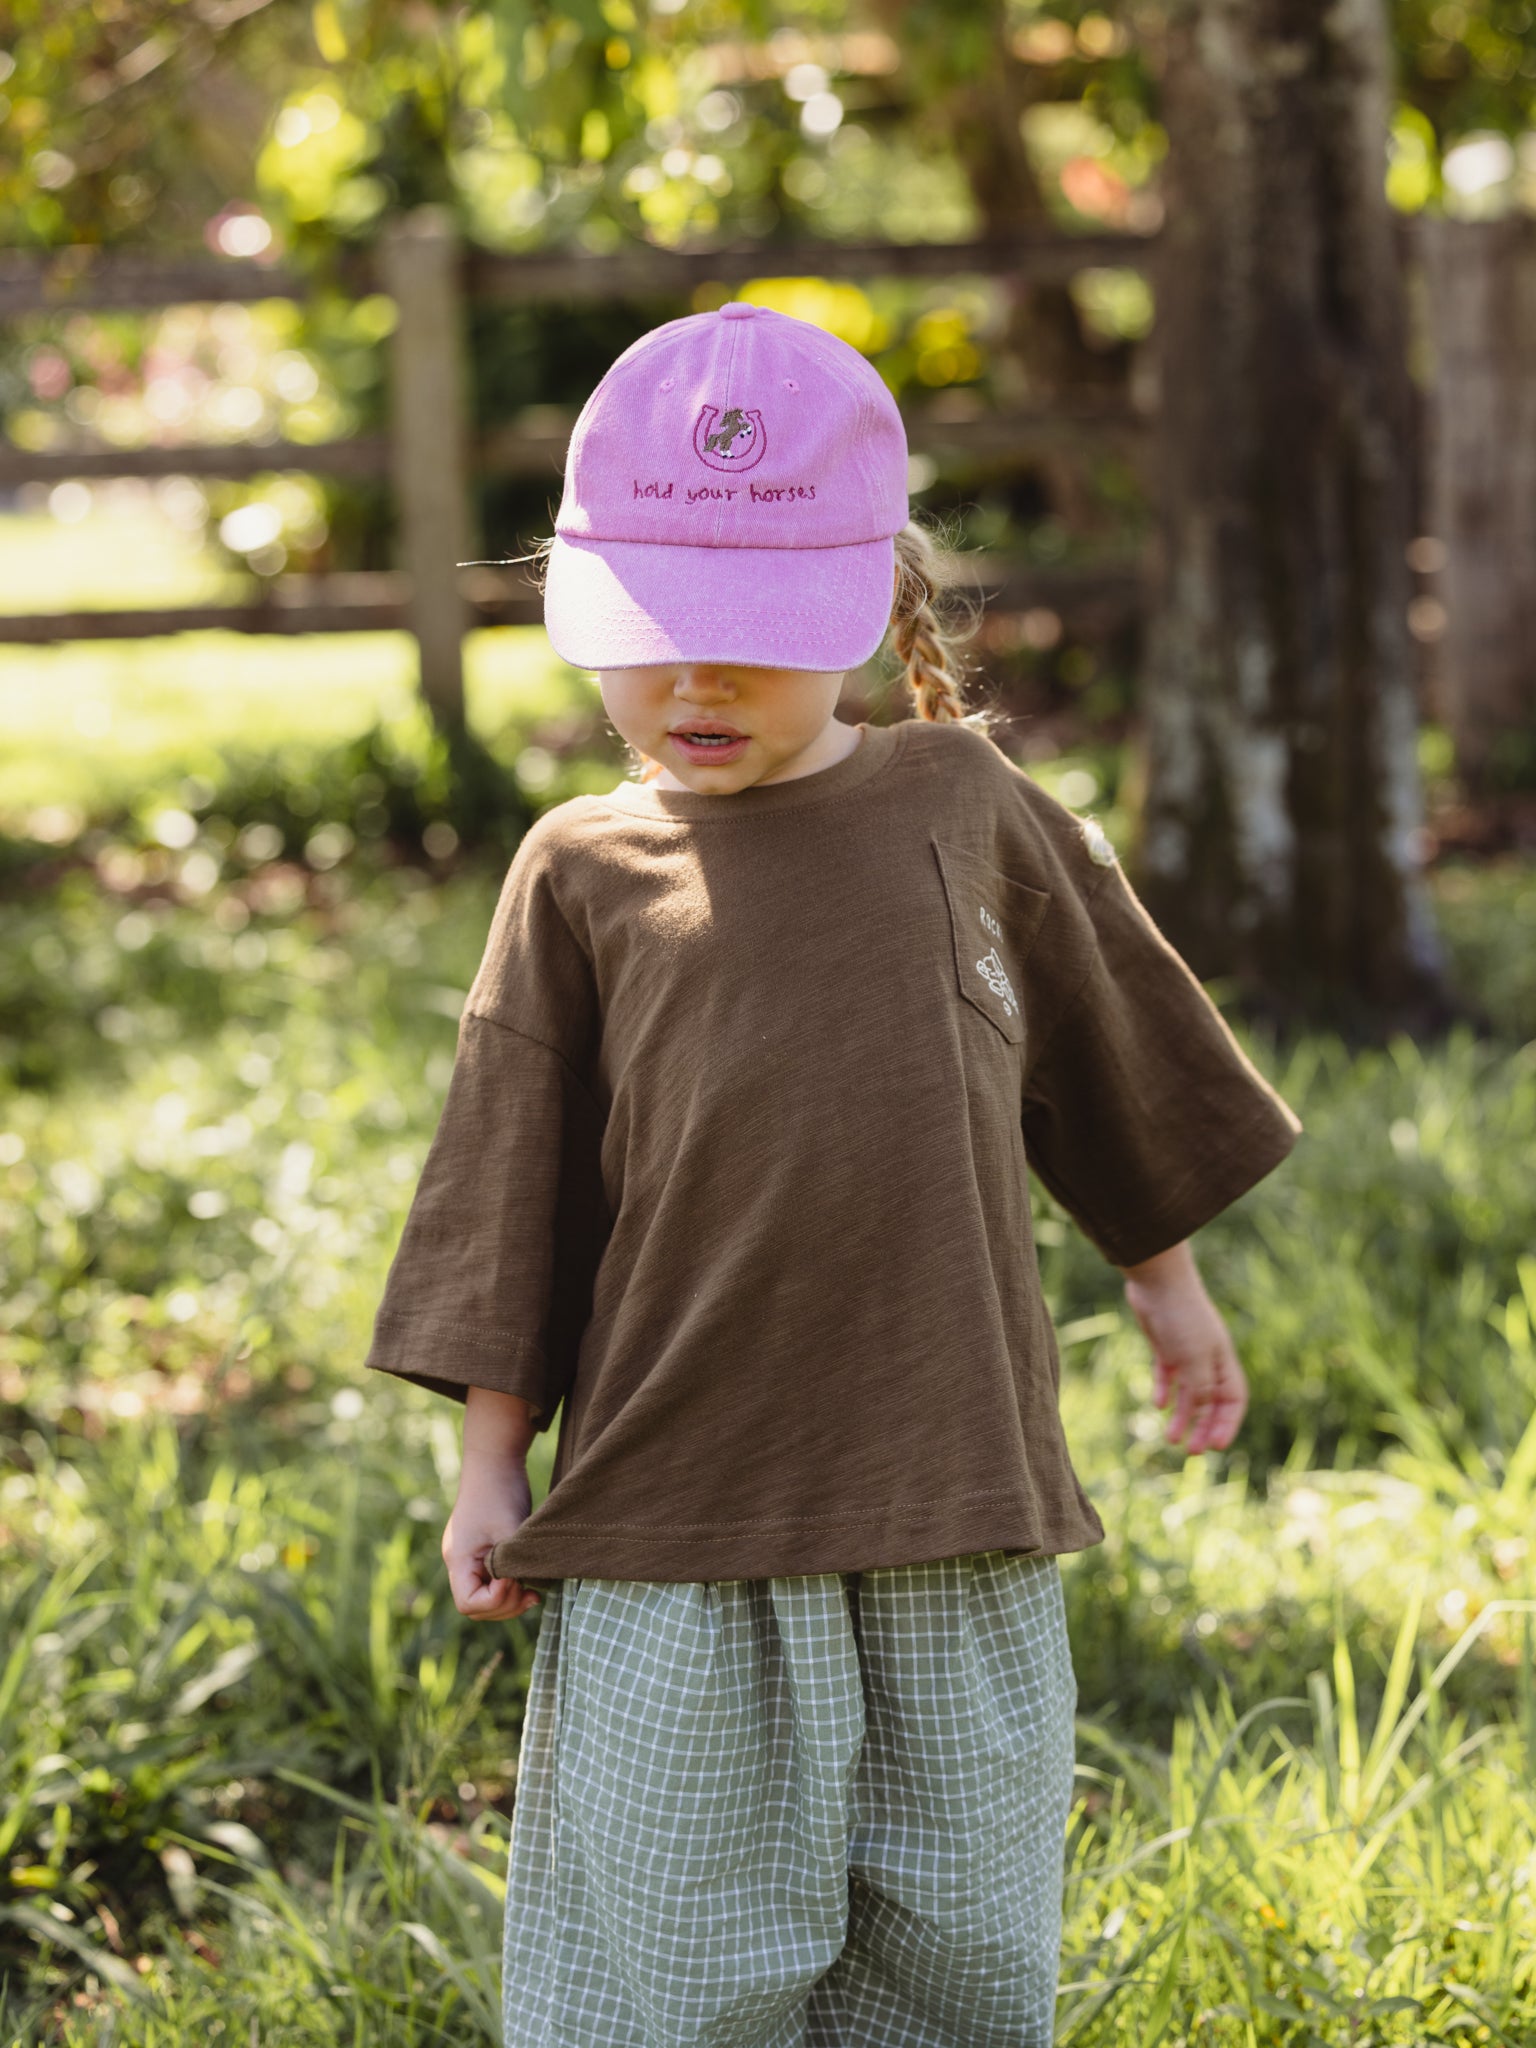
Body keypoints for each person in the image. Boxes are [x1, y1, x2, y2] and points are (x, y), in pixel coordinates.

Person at [363, 302, 1303, 2048]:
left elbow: (1106, 1055)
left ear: (871, 604)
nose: (698, 686)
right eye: (657, 635)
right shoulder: (578, 870)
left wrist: (1167, 1291)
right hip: (674, 1516)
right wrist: (489, 1460)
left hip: (953, 1490)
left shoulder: (966, 803)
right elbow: (511, 1184)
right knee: (675, 1970)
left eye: (755, 637)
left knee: (955, 1955)